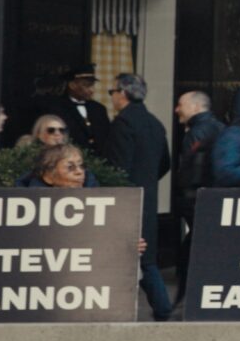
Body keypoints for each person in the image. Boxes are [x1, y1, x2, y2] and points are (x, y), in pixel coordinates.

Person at [103, 74, 175, 322]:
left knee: (134, 257)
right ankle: (163, 306)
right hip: (148, 197)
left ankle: (162, 306)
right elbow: (165, 163)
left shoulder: (123, 124)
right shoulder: (154, 123)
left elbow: (117, 169)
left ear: (122, 93)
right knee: (147, 258)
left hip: (127, 200)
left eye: (112, 91)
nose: (111, 97)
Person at [171, 91, 221, 300]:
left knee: (191, 250)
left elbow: (193, 171)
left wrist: (186, 199)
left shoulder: (198, 132)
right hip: (207, 199)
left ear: (195, 107)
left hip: (198, 201)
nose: (176, 110)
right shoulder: (216, 127)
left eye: (181, 105)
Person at [49, 64, 111, 154]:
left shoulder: (99, 109)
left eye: (92, 85)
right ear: (72, 85)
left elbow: (107, 138)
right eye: (87, 85)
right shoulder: (58, 109)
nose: (92, 90)